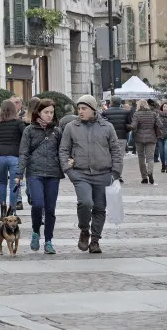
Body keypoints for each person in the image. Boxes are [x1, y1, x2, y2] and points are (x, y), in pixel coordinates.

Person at [59, 95, 123, 254]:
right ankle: (84, 230)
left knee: (100, 208)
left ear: (93, 110)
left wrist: (115, 172)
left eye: (84, 108)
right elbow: (63, 150)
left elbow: (116, 150)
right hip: (80, 174)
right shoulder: (71, 127)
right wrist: (68, 170)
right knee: (85, 202)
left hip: (103, 174)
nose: (80, 111)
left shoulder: (107, 127)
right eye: (78, 108)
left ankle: (95, 240)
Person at [16, 99, 63, 255]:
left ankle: (48, 241)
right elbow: (23, 153)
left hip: (53, 173)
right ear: (38, 113)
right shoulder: (29, 130)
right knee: (37, 204)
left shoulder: (57, 131)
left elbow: (62, 151)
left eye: (51, 112)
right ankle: (36, 231)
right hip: (34, 172)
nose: (49, 115)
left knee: (50, 209)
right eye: (46, 112)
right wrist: (19, 174)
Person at [0, 99, 27, 217]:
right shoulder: (19, 123)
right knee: (14, 184)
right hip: (14, 156)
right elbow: (26, 138)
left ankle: (3, 210)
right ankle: (12, 210)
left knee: (2, 183)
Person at [130, 98, 162, 185]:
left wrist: (128, 126)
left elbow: (133, 125)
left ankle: (144, 177)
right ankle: (150, 172)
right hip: (151, 138)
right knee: (150, 158)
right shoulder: (153, 114)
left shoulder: (136, 114)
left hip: (139, 138)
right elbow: (160, 125)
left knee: (141, 157)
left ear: (139, 105)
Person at [102, 96, 131, 161]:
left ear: (111, 102)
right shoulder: (126, 112)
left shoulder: (105, 112)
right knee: (120, 157)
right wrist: (125, 131)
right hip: (122, 136)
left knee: (110, 156)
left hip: (109, 137)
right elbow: (129, 125)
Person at [159, 102, 167, 172]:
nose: (165, 108)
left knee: (166, 150)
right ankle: (163, 165)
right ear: (162, 107)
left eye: (166, 107)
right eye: (164, 107)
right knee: (161, 152)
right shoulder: (158, 115)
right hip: (160, 136)